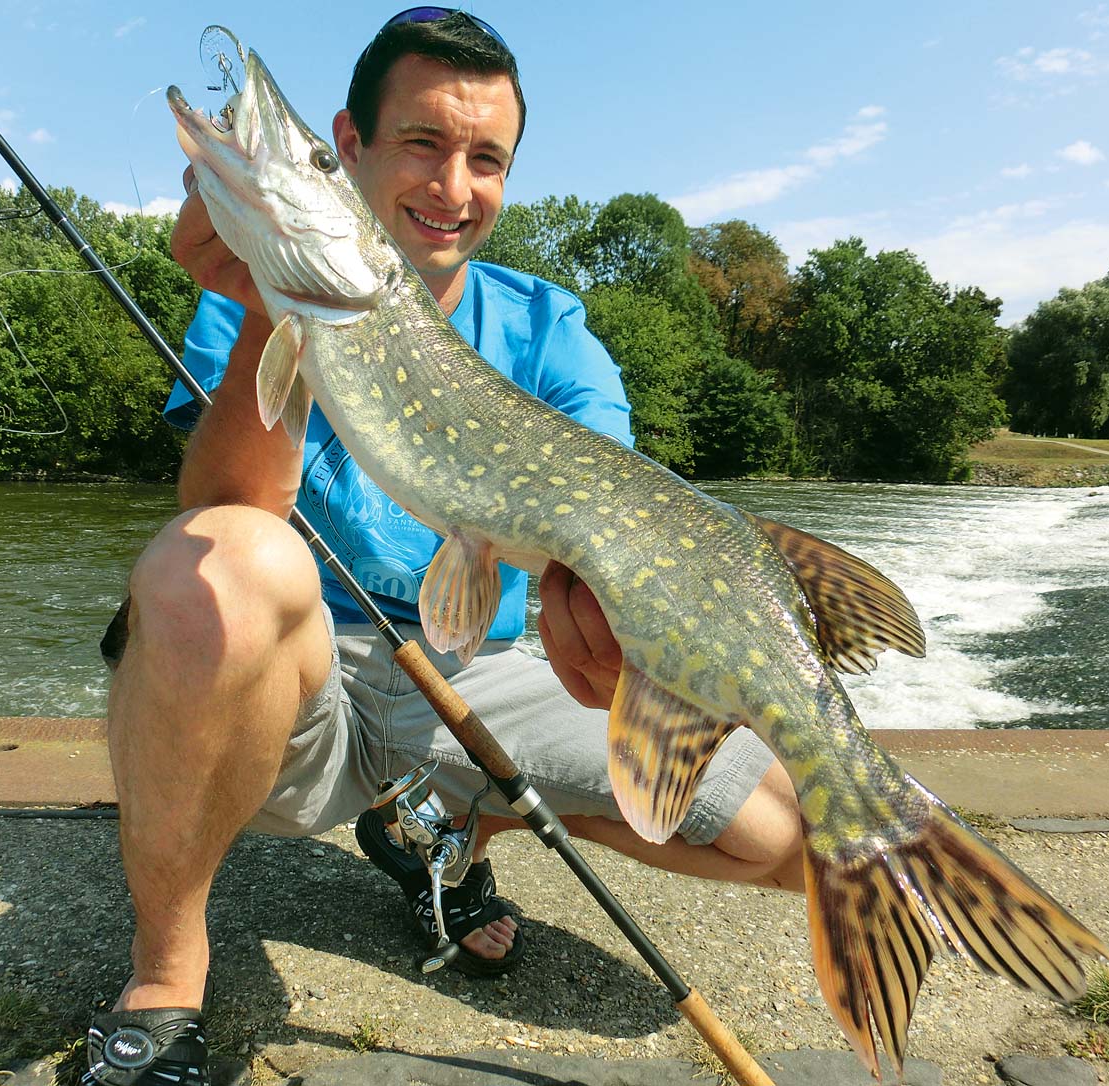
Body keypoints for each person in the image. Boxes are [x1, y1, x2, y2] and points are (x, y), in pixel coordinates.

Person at [84, 10, 804, 1084]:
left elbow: (598, 523)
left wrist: (623, 637)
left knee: (789, 836)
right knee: (229, 559)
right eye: (420, 142)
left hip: (479, 675)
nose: (452, 185)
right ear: (353, 145)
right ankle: (167, 971)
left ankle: (449, 826)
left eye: (486, 159)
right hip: (301, 682)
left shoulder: (552, 328)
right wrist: (256, 304)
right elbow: (229, 507)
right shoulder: (252, 286)